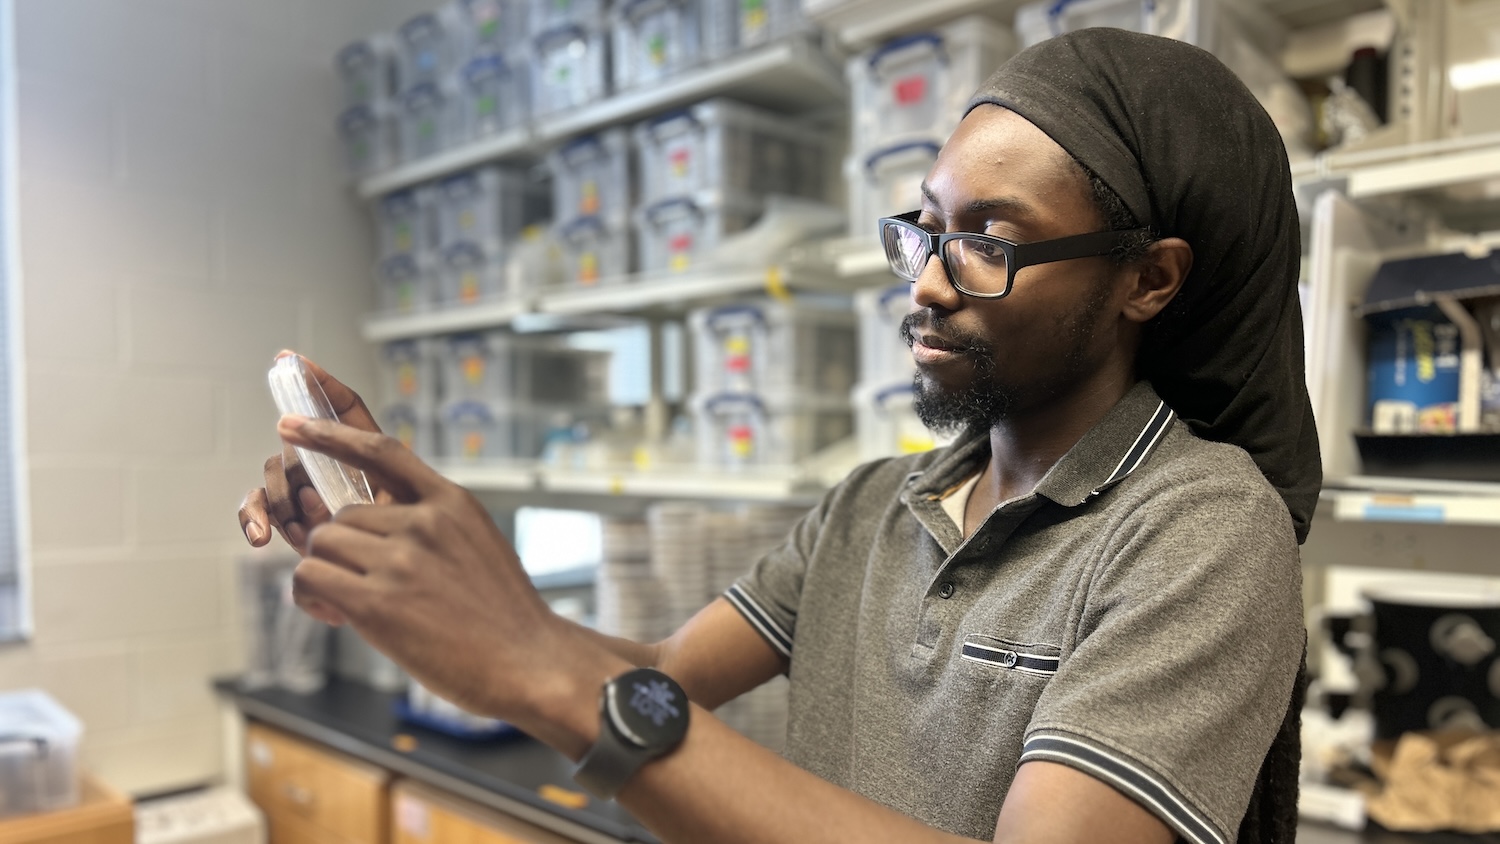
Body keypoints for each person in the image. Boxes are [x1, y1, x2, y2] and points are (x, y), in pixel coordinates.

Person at [239, 29, 1316, 844]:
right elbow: (663, 678)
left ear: (1149, 278)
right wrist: (434, 592)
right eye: (926, 230)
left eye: (990, 240)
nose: (930, 282)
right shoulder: (869, 507)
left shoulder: (1205, 530)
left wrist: (544, 666)